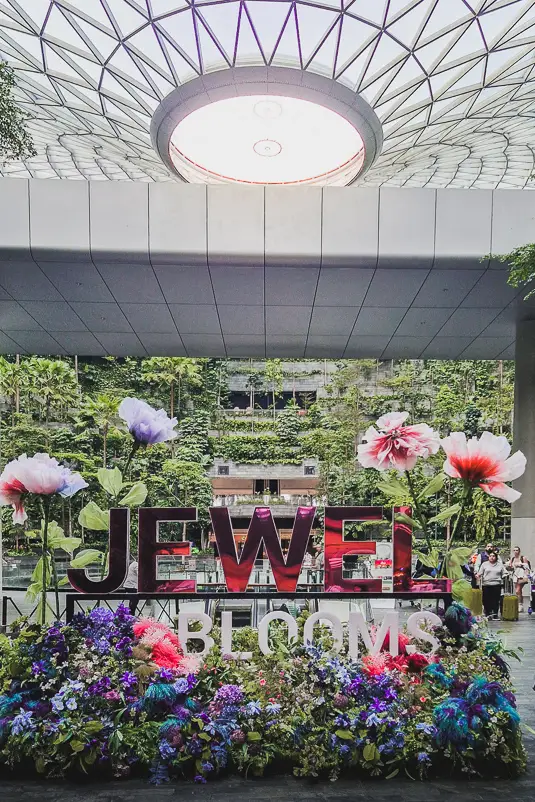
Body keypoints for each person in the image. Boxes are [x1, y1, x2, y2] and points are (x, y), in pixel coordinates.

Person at [477, 551, 505, 619]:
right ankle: (488, 612)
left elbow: (504, 572)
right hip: (486, 584)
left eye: (493, 556)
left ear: (496, 557)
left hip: (496, 584)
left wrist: (505, 575)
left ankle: (495, 613)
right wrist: (478, 575)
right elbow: (480, 573)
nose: (492, 557)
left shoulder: (500, 565)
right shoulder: (484, 564)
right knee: (486, 599)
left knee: (496, 599)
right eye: (490, 556)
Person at [506, 546, 530, 612]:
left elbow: (527, 567)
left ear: (519, 551)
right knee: (519, 591)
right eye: (514, 550)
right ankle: (520, 604)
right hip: (515, 575)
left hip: (522, 575)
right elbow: (510, 567)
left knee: (517, 590)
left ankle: (520, 605)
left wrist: (527, 575)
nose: (515, 551)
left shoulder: (522, 558)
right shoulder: (513, 559)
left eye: (517, 550)